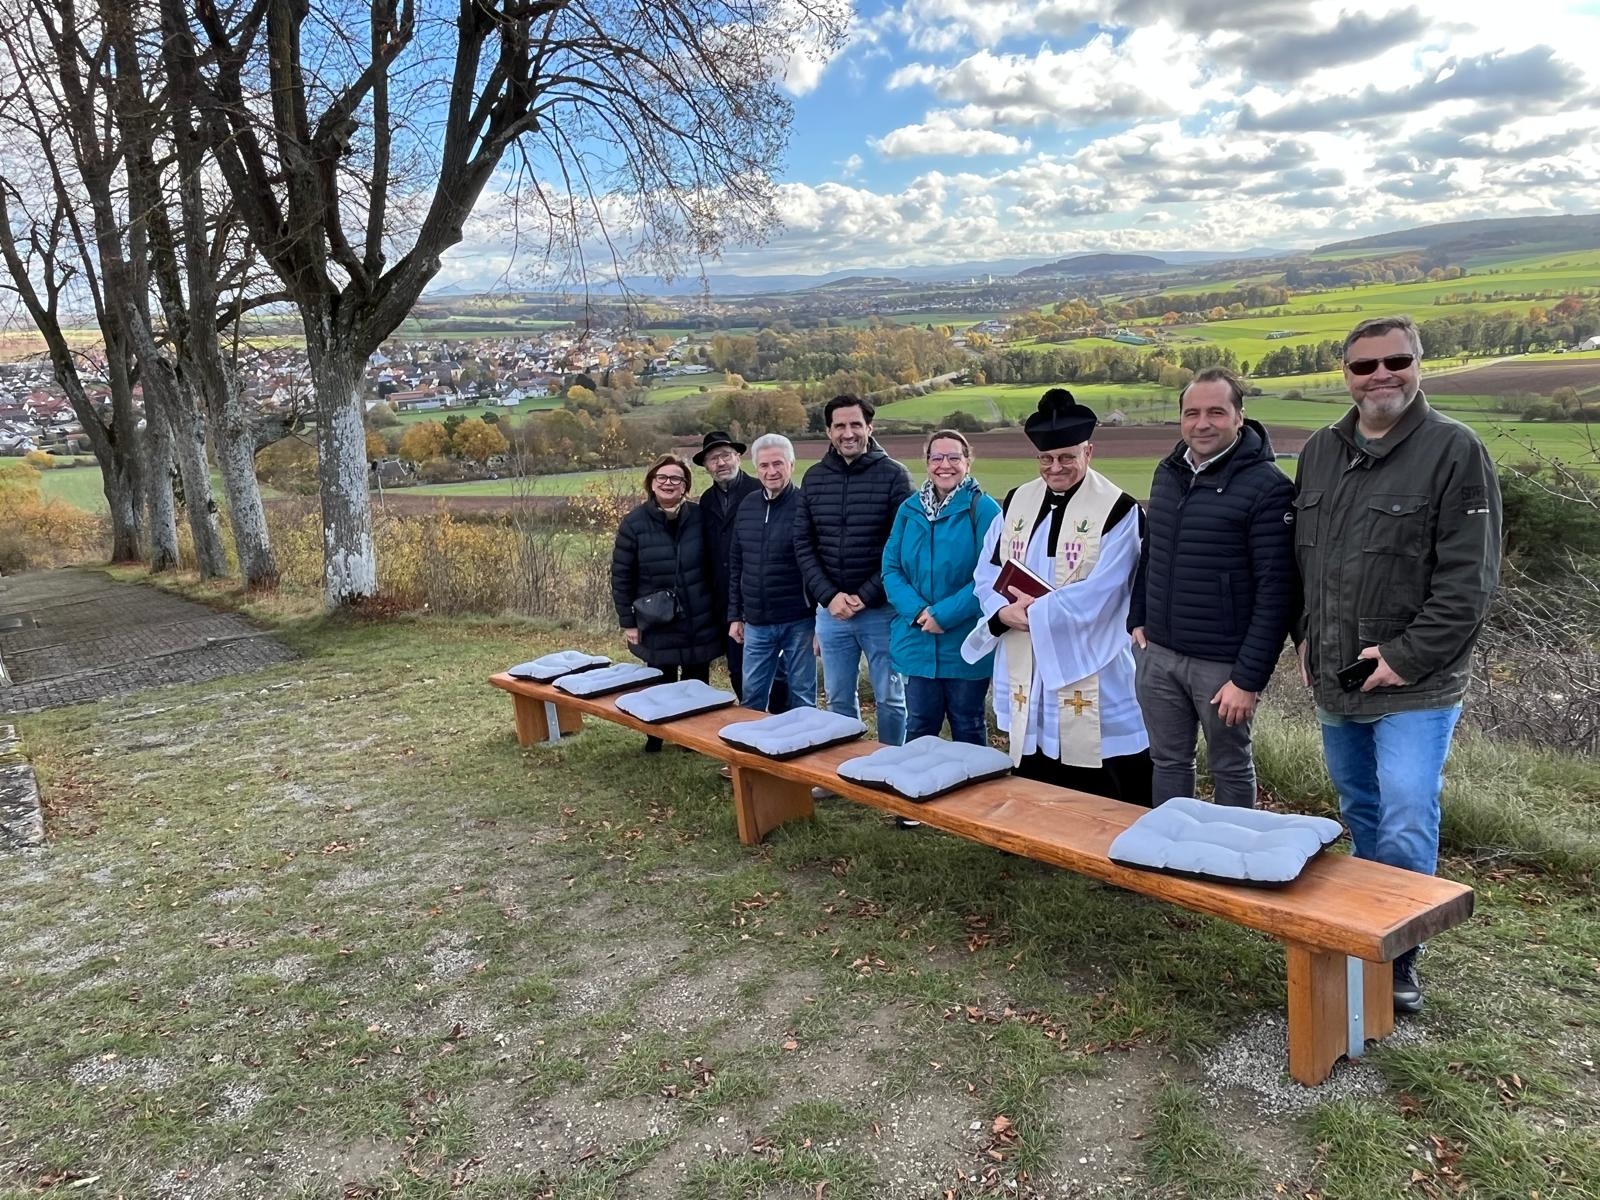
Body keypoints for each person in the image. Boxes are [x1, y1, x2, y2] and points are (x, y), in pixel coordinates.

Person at [1294, 315, 1501, 1015]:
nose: (1380, 375)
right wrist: (1304, 637)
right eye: (1364, 366)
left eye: (1395, 361)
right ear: (1344, 375)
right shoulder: (1320, 451)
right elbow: (1307, 564)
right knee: (1362, 810)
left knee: (1409, 811)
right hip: (1337, 677)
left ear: (1420, 364)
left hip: (1417, 685)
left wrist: (1405, 658)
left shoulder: (1454, 450)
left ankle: (1398, 958)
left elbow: (1469, 582)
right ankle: (1367, 931)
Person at [967, 390, 1151, 805]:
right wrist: (1001, 612)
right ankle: (1038, 824)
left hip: (1089, 657)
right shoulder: (1016, 501)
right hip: (1025, 655)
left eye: (1067, 457)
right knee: (1033, 741)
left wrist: (1033, 615)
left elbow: (1109, 589)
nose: (1056, 467)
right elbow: (987, 570)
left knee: (1102, 748)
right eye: (1046, 459)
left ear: (1089, 450)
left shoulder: (1118, 510)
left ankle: (1110, 831)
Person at [1130, 367, 1296, 808]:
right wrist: (1137, 617)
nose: (1202, 424)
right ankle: (1167, 856)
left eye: (1216, 412)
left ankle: (1231, 864)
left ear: (1240, 417)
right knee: (1167, 760)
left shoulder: (1268, 488)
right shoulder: (1168, 472)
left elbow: (1277, 591)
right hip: (1159, 654)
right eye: (1192, 413)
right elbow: (1153, 550)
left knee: (1230, 764)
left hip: (1222, 665)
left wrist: (1247, 678)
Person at [793, 395, 915, 796]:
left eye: (855, 425)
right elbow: (803, 544)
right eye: (840, 426)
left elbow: (901, 546)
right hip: (832, 613)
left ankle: (889, 771)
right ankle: (844, 772)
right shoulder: (814, 478)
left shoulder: (894, 476)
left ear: (870, 428)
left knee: (890, 696)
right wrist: (829, 597)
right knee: (839, 697)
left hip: (880, 610)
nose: (848, 433)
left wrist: (864, 595)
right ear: (828, 431)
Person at [881, 430, 1002, 828]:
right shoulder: (909, 510)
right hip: (917, 639)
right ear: (925, 461)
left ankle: (975, 805)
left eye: (953, 457)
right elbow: (891, 569)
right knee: (920, 723)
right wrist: (919, 613)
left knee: (968, 722)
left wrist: (944, 615)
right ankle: (913, 801)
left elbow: (990, 576)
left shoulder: (984, 511)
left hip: (963, 641)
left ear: (968, 462)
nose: (944, 465)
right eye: (936, 458)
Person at [610, 454, 723, 752]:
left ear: (685, 485)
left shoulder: (701, 518)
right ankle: (656, 735)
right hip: (656, 618)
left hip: (699, 613)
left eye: (676, 478)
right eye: (662, 477)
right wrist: (628, 621)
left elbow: (716, 565)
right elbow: (621, 575)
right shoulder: (634, 523)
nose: (669, 483)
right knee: (660, 679)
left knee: (697, 680)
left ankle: (692, 737)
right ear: (652, 483)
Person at [728, 434, 817, 713]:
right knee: (752, 697)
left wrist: (820, 617)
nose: (771, 471)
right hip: (756, 621)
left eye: (778, 463)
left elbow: (818, 563)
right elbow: (736, 563)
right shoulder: (748, 506)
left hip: (799, 620)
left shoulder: (806, 505)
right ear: (756, 468)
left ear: (791, 464)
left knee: (802, 695)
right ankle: (749, 755)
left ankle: (805, 750)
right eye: (764, 465)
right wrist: (735, 615)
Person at [694, 430, 761, 698]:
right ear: (706, 466)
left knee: (771, 670)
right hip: (722, 598)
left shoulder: (758, 490)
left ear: (738, 457)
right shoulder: (707, 500)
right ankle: (748, 720)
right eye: (713, 459)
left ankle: (778, 722)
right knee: (736, 667)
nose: (720, 463)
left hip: (757, 594)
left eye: (725, 455)